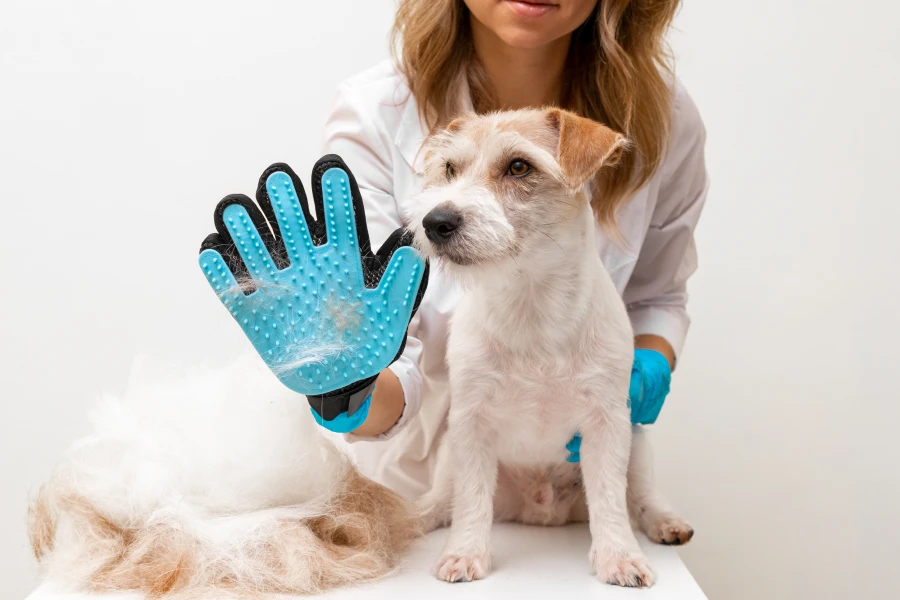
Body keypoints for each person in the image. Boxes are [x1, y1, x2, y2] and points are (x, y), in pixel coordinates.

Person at [320, 0, 707, 499]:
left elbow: (657, 298)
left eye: (518, 169)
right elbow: (388, 346)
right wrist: (348, 390)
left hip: (574, 491)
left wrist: (643, 368)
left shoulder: (662, 117)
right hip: (418, 494)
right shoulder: (376, 111)